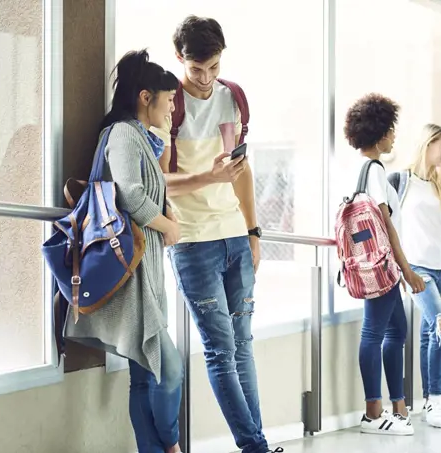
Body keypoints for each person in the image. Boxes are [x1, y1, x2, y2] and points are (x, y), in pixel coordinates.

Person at [151, 16, 282, 453]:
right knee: (220, 349)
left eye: (213, 67)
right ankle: (256, 447)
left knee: (243, 345)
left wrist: (253, 232)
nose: (206, 79)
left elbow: (240, 172)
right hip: (192, 242)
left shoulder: (234, 98)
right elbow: (159, 181)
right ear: (180, 61)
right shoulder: (170, 104)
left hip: (234, 239)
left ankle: (254, 446)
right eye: (196, 70)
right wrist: (209, 176)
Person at [64, 50, 184, 453]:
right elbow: (130, 193)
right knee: (170, 370)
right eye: (168, 101)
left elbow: (146, 186)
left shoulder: (137, 135)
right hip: (132, 276)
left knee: (145, 377)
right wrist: (168, 226)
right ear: (145, 96)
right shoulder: (123, 133)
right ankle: (170, 444)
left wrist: (166, 208)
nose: (172, 108)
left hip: (140, 272)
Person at [343, 93, 425, 436]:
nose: (394, 136)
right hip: (382, 266)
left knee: (396, 332)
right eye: (391, 130)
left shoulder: (359, 169)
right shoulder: (374, 170)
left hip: (373, 264)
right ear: (379, 133)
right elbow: (386, 224)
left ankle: (398, 406)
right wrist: (406, 270)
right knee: (375, 333)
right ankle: (373, 414)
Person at [389, 124, 441, 428]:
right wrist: (400, 268)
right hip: (416, 269)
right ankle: (436, 398)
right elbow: (389, 225)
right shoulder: (399, 181)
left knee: (430, 334)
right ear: (428, 144)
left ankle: (430, 403)